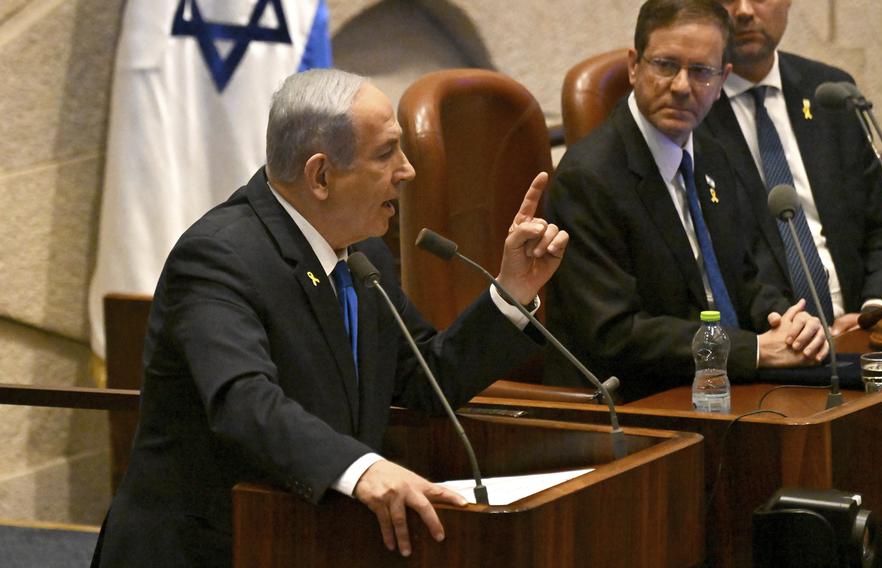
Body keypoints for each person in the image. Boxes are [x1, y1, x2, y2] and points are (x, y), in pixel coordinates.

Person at [91, 69, 568, 567]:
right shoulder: (218, 258)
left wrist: (513, 291)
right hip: (205, 548)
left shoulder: (363, 258)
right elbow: (243, 398)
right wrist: (361, 470)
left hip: (300, 539)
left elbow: (428, 376)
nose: (407, 171)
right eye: (386, 154)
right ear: (320, 175)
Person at [544, 0, 828, 401]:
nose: (681, 86)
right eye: (665, 65)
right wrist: (757, 350)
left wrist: (789, 323)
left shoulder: (711, 152)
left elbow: (744, 278)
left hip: (717, 387)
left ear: (722, 78)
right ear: (633, 66)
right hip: (636, 402)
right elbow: (616, 333)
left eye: (701, 71)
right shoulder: (588, 178)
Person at [703, 0, 882, 335]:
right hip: (770, 340)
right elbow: (715, 261)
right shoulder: (691, 112)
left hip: (863, 329)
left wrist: (873, 312)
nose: (743, 11)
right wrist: (795, 328)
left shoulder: (830, 92)